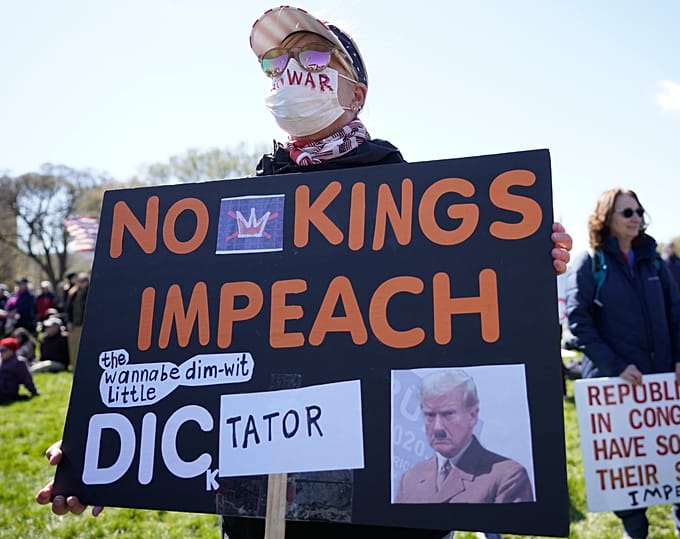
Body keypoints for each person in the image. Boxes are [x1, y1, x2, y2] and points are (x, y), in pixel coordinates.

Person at [36, 6, 573, 537]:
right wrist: (97, 447)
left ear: (356, 92)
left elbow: (472, 335)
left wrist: (522, 260)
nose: (292, 71)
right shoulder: (232, 211)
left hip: (382, 516)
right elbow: (183, 346)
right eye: (276, 61)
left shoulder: (432, 211)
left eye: (314, 55)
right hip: (258, 508)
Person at [566, 188, 680, 539]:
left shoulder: (654, 260)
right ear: (606, 218)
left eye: (639, 211)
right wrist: (616, 366)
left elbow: (676, 314)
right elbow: (578, 321)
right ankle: (635, 525)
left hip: (664, 377)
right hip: (616, 383)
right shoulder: (591, 262)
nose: (636, 218)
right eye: (627, 212)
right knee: (627, 464)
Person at [395, 370, 533, 504]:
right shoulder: (409, 480)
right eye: (430, 415)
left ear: (472, 416)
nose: (437, 428)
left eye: (448, 414)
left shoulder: (507, 477)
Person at [0, 336, 39, 404]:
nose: (1, 352)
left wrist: (34, 392)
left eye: (3, 350)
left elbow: (27, 379)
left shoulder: (19, 362)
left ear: (12, 350)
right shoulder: (1, 361)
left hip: (6, 392)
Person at [64, 272, 90, 370]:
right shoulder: (73, 293)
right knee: (74, 349)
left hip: (86, 326)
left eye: (84, 281)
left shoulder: (91, 292)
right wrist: (68, 321)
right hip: (74, 326)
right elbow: (68, 309)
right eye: (80, 281)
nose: (82, 283)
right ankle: (75, 369)